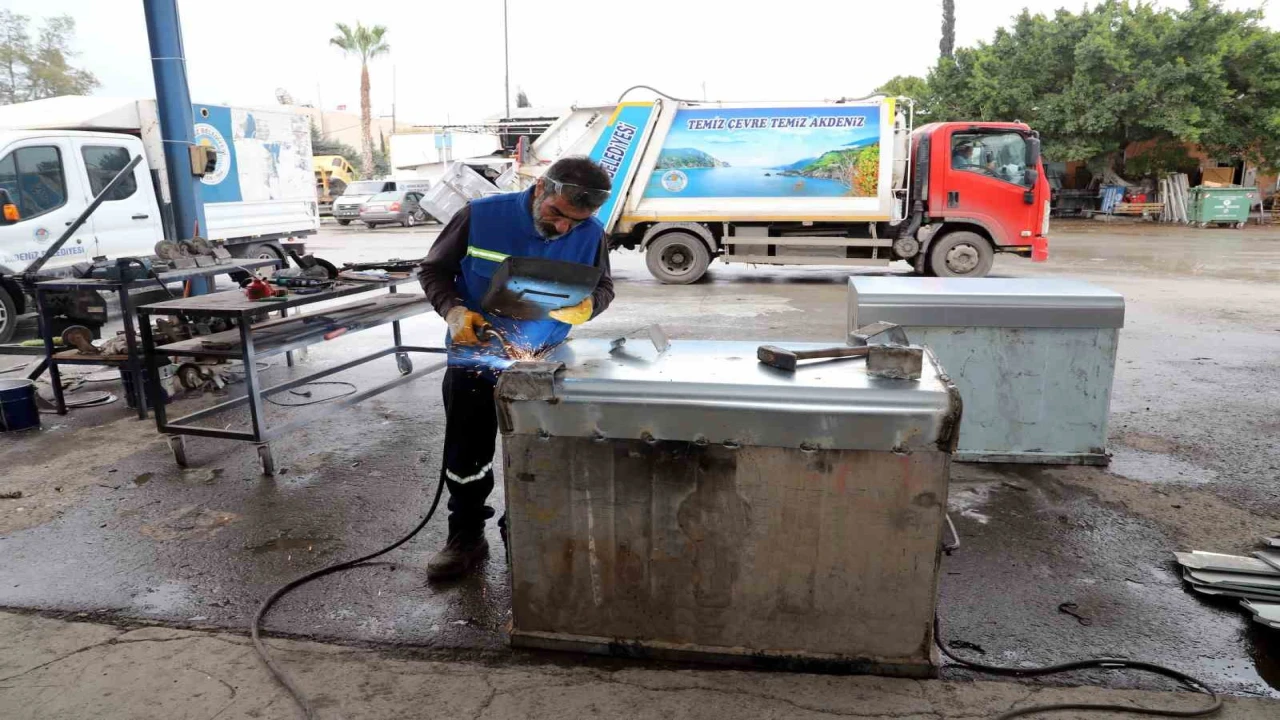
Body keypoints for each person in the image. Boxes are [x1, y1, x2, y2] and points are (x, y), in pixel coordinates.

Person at [417, 156, 615, 580]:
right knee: (467, 453)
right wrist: (453, 312)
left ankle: (524, 531)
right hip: (476, 353)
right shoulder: (480, 215)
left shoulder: (592, 233)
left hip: (545, 360)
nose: (563, 227)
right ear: (541, 187)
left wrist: (589, 306)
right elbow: (434, 270)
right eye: (557, 214)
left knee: (539, 450)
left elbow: (604, 286)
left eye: (575, 222)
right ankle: (466, 535)